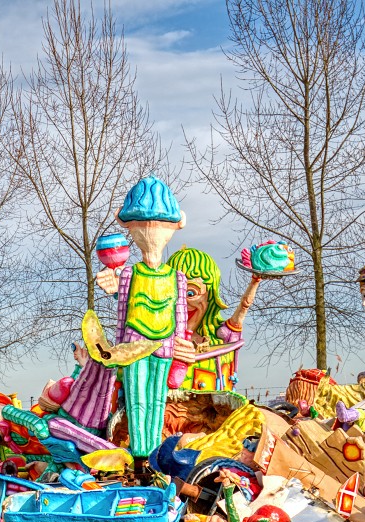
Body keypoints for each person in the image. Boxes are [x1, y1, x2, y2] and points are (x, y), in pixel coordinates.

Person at [94, 176, 192, 458]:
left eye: (161, 223)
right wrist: (118, 350)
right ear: (129, 227)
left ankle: (153, 455)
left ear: (176, 225)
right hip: (134, 346)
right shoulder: (129, 273)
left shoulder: (178, 277)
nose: (152, 230)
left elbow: (180, 316)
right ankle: (139, 454)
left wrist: (181, 348)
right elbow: (122, 314)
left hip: (164, 345)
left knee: (157, 401)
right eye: (142, 224)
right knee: (137, 400)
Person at [165, 247, 262, 391]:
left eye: (190, 293)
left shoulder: (220, 335)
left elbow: (244, 306)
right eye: (175, 293)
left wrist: (255, 281)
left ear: (210, 297)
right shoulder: (159, 339)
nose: (182, 303)